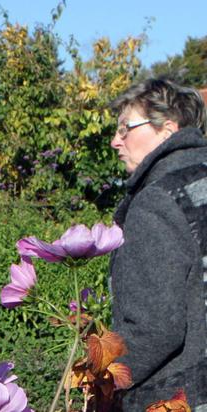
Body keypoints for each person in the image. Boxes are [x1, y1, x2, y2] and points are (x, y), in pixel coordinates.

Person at [108, 78, 207, 409]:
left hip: (180, 395)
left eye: (125, 129)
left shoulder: (158, 200)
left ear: (168, 129)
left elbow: (155, 328)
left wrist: (102, 376)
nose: (114, 142)